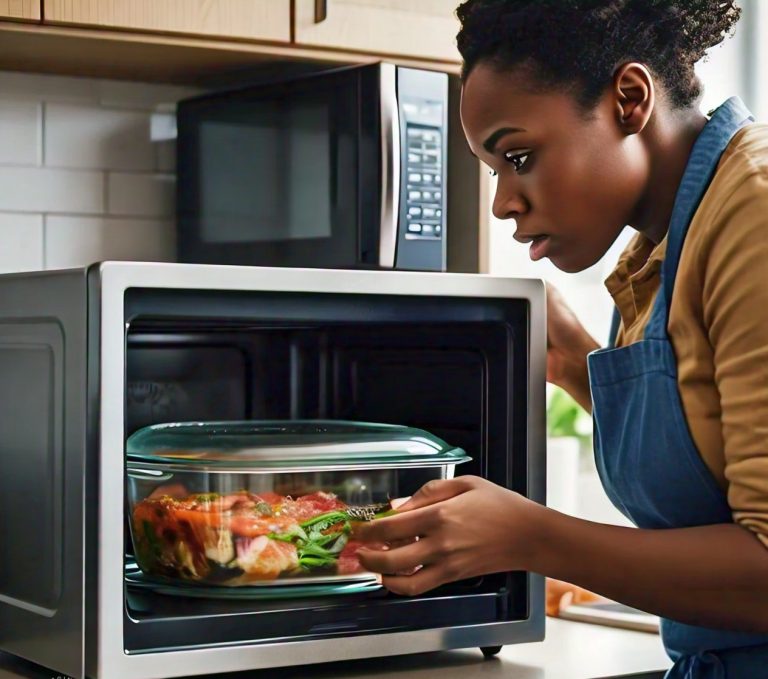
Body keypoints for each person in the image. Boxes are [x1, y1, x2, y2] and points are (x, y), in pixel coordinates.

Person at [354, 1, 768, 675]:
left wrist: (529, 535)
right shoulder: (657, 247)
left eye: (519, 155)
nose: (502, 202)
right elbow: (713, 455)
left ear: (628, 100)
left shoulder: (754, 209)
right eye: (495, 169)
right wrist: (580, 367)